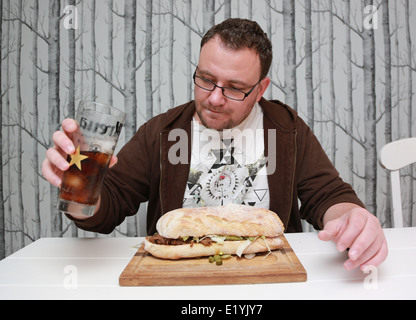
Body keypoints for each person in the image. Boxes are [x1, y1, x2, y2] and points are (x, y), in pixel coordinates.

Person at [42, 18, 388, 271]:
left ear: (261, 89)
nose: (215, 99)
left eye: (235, 88)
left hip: (272, 278)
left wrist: (353, 219)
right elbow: (107, 208)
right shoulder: (162, 131)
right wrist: (77, 183)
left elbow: (328, 196)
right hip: (175, 283)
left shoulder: (286, 129)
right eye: (206, 80)